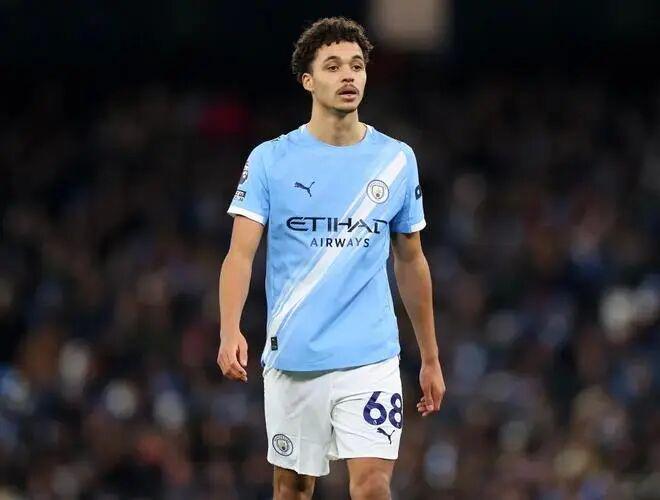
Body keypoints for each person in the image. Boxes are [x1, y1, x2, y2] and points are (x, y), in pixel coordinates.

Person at [218, 16, 445, 500]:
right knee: (294, 489)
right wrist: (229, 328)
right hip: (295, 355)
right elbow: (240, 254)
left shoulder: (396, 159)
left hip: (371, 356)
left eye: (357, 66)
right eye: (334, 66)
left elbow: (411, 261)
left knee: (372, 485)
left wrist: (430, 356)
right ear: (308, 80)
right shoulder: (270, 160)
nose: (348, 76)